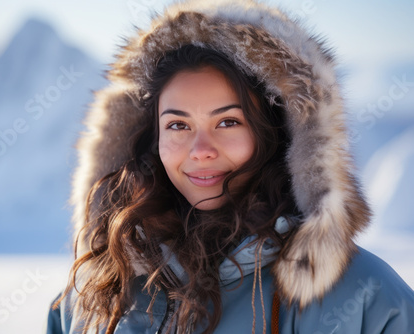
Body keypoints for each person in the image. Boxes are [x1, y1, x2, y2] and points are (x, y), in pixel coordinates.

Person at [45, 0, 414, 333]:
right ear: (150, 137)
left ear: (277, 132)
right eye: (178, 125)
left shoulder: (367, 298)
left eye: (228, 122)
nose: (201, 150)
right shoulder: (94, 296)